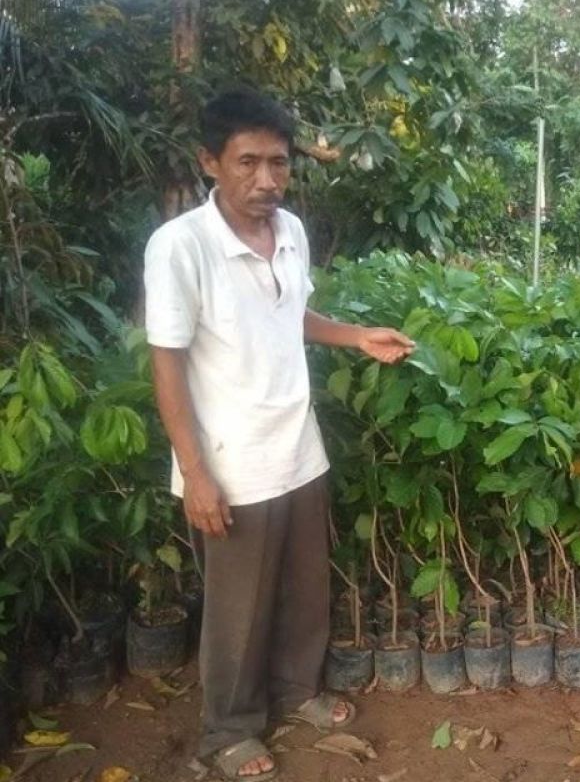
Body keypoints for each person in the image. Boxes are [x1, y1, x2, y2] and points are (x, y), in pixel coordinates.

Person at [144, 88, 413, 782]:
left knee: (303, 591)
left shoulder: (290, 230)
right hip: (231, 462)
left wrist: (356, 336)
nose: (266, 180)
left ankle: (298, 693)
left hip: (298, 447)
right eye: (247, 163)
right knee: (237, 612)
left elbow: (289, 312)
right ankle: (227, 729)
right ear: (210, 161)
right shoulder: (180, 248)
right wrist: (195, 473)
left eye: (279, 164)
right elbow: (167, 367)